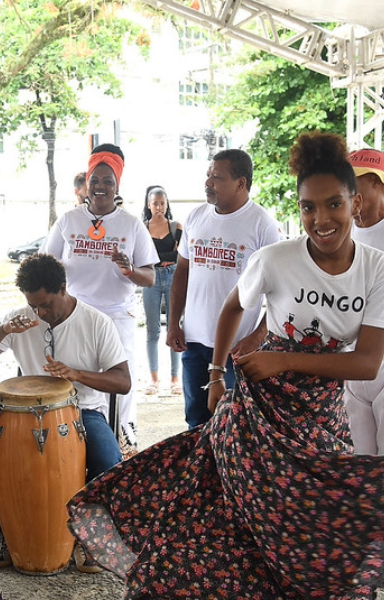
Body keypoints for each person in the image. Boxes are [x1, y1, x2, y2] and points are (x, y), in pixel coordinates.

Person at [68, 131, 384, 598]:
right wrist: (217, 374)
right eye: (308, 208)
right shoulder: (276, 260)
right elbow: (233, 307)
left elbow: (367, 362)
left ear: (354, 204)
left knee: (316, 523)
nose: (321, 219)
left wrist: (280, 358)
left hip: (322, 416)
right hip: (260, 407)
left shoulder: (376, 269)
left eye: (333, 204)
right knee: (224, 511)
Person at [0, 253, 129, 573]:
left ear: (63, 288)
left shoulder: (96, 322)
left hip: (82, 411)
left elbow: (122, 382)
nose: (40, 313)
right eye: (33, 306)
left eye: (45, 305)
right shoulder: (21, 319)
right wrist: (2, 331)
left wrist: (77, 374)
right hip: (22, 416)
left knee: (109, 462)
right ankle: (10, 535)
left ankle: (89, 539)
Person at [41, 144, 157, 457]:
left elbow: (150, 277)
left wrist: (129, 270)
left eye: (108, 181)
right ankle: (76, 444)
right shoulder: (68, 220)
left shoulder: (131, 224)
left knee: (118, 383)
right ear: (86, 183)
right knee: (77, 381)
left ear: (117, 186)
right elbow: (45, 263)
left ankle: (122, 441)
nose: (100, 186)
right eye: (95, 180)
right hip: (74, 316)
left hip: (117, 317)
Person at [166, 148, 280, 429]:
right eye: (208, 175)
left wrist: (258, 335)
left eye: (216, 177)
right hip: (194, 343)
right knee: (195, 421)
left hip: (236, 349)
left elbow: (281, 291)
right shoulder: (196, 217)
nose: (208, 183)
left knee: (233, 425)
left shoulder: (262, 225)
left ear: (241, 183)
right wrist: (173, 323)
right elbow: (182, 273)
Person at [344, 148, 384, 454]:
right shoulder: (341, 234)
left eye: (355, 189)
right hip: (353, 366)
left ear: (378, 184)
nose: (351, 201)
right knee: (361, 464)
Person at [141, 185, 183, 396]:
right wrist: (167, 254)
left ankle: (175, 379)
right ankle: (154, 379)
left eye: (162, 203)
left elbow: (180, 256)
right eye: (155, 203)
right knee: (152, 330)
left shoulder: (176, 226)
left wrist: (159, 256)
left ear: (167, 205)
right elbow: (143, 257)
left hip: (173, 276)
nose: (159, 207)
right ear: (149, 205)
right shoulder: (142, 228)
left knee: (174, 327)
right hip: (151, 278)